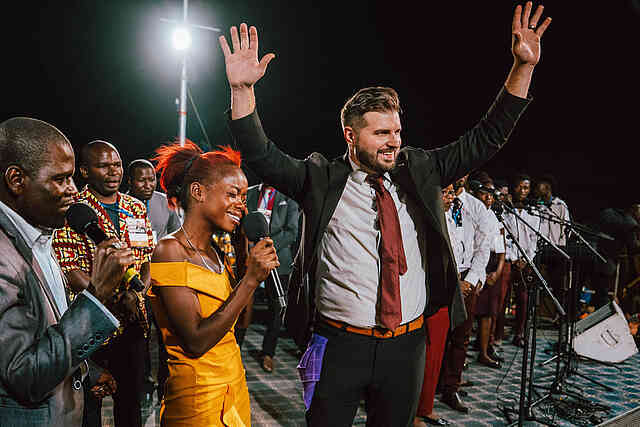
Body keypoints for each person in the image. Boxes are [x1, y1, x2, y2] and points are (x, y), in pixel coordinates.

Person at [218, 2, 550, 425]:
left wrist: (522, 67)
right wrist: (243, 91)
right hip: (332, 344)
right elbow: (262, 157)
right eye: (381, 133)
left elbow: (486, 138)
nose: (394, 141)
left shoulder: (421, 168)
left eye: (396, 130)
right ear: (351, 136)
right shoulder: (319, 177)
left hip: (406, 346)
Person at [0, 117, 137, 426]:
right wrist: (97, 294)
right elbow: (24, 373)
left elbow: (49, 332)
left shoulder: (37, 235)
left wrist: (86, 370)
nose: (73, 190)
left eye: (72, 178)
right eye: (61, 179)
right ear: (16, 180)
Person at [149, 141, 278, 426]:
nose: (241, 206)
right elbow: (196, 341)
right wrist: (249, 280)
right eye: (233, 194)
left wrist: (246, 255)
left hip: (233, 391)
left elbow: (239, 323)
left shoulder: (216, 253)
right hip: (198, 402)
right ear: (198, 192)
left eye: (244, 198)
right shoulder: (170, 251)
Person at [52, 140, 154, 427]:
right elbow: (70, 271)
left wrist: (138, 294)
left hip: (133, 322)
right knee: (88, 408)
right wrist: (113, 300)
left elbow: (146, 259)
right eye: (104, 165)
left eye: (118, 164)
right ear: (84, 170)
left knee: (131, 407)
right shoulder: (72, 210)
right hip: (92, 326)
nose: (113, 171)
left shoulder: (135, 207)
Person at [439, 175, 492, 413]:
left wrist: (471, 280)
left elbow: (483, 246)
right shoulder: (438, 199)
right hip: (442, 276)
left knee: (461, 336)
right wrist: (453, 281)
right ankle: (429, 385)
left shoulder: (476, 206)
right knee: (437, 337)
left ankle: (451, 388)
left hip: (467, 276)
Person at [413, 185, 457, 427]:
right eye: (446, 192)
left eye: (452, 193)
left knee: (436, 354)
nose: (450, 197)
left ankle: (426, 406)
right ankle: (412, 411)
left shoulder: (453, 218)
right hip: (422, 294)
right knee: (418, 356)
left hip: (444, 293)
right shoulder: (424, 217)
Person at [246, 183, 300, 372]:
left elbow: (292, 231)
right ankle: (235, 347)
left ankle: (268, 353)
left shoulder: (288, 196)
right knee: (243, 307)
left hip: (278, 260)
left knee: (276, 309)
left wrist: (266, 247)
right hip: (249, 258)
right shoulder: (250, 193)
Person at [470, 175, 506, 367]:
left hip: (492, 265)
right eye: (484, 193)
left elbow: (501, 248)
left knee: (488, 313)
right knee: (469, 313)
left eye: (492, 195)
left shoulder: (495, 216)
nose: (489, 198)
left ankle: (484, 351)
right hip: (474, 264)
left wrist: (498, 271)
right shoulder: (470, 213)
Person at [503, 173, 540, 347]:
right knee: (503, 298)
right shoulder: (505, 210)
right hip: (509, 259)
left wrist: (526, 259)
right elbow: (504, 237)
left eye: (526, 187)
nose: (522, 191)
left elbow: (534, 240)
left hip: (526, 261)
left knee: (523, 298)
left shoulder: (533, 212)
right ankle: (497, 333)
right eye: (519, 187)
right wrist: (513, 258)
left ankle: (519, 333)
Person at [127, 159, 182, 243]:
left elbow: (177, 236)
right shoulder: (119, 205)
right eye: (142, 180)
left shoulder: (166, 202)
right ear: (130, 181)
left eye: (152, 180)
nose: (148, 185)